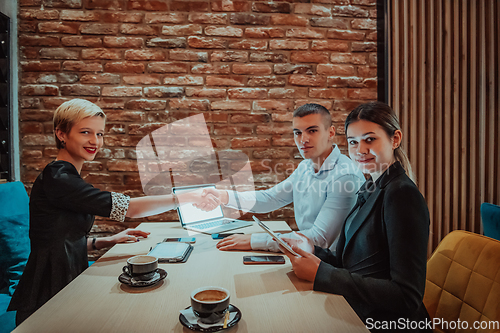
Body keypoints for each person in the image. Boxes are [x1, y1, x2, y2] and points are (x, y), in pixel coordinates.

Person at [8, 99, 216, 325]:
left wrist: (105, 241)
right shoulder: (59, 178)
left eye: (100, 134)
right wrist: (186, 198)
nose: (94, 141)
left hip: (66, 280)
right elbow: (129, 208)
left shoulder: (63, 175)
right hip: (49, 293)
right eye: (85, 132)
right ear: (61, 134)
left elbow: (56, 236)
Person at [280, 101, 431, 332]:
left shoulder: (401, 195)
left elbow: (406, 296)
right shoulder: (370, 187)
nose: (360, 150)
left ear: (395, 139)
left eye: (370, 139)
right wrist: (312, 249)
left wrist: (322, 274)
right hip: (356, 310)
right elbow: (355, 263)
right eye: (353, 142)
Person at [199, 103, 364, 253]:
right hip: (308, 255)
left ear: (331, 132)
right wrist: (224, 196)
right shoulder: (305, 167)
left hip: (332, 265)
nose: (303, 140)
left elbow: (320, 239)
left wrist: (254, 240)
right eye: (297, 133)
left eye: (312, 131)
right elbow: (271, 198)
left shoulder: (345, 176)